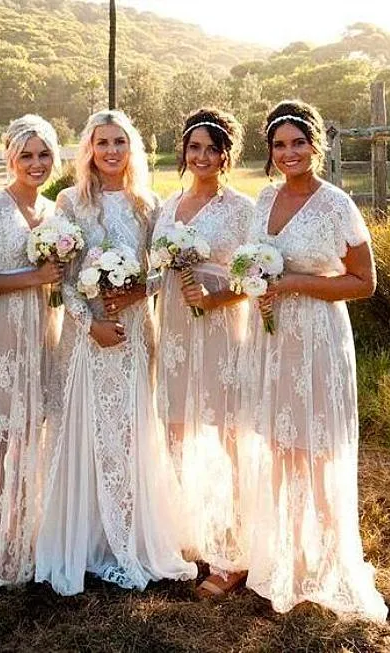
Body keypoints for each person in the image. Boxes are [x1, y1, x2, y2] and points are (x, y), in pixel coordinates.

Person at [34, 109, 197, 595]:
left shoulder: (149, 204)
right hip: (85, 335)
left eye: (119, 143)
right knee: (82, 428)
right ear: (88, 149)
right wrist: (92, 322)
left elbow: (159, 270)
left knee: (127, 431)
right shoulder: (68, 202)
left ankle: (127, 536)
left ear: (132, 150)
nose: (110, 152)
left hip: (131, 333)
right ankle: (81, 541)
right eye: (101, 143)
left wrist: (132, 296)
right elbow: (61, 276)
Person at [241, 100, 387, 621]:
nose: (289, 153)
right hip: (272, 338)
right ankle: (287, 556)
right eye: (279, 145)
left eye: (298, 143)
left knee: (318, 446)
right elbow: (254, 264)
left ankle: (327, 560)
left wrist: (293, 284)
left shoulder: (337, 204)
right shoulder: (263, 198)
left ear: (315, 145)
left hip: (319, 338)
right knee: (281, 446)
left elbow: (364, 282)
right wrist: (257, 287)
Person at [152, 108, 256, 599]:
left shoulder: (241, 209)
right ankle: (190, 536)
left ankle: (233, 554)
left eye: (212, 149)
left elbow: (256, 275)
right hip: (173, 325)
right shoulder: (168, 206)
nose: (202, 156)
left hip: (219, 326)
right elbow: (157, 269)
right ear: (184, 152)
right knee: (177, 428)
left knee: (224, 432)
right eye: (194, 147)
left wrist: (215, 298)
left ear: (226, 154)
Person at [0, 114, 63, 587]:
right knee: (1, 430)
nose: (36, 163)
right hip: (3, 327)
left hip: (43, 326)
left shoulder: (53, 212)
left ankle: (27, 528)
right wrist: (34, 278)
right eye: (26, 155)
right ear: (10, 158)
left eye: (44, 154)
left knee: (33, 427)